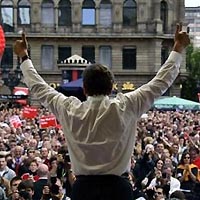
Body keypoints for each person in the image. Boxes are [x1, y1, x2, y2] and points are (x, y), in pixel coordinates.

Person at [13, 23, 190, 200]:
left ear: (84, 89)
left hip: (83, 190)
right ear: (111, 88)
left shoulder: (70, 109)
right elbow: (160, 82)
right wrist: (177, 48)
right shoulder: (126, 106)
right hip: (118, 190)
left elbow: (39, 88)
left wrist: (24, 56)